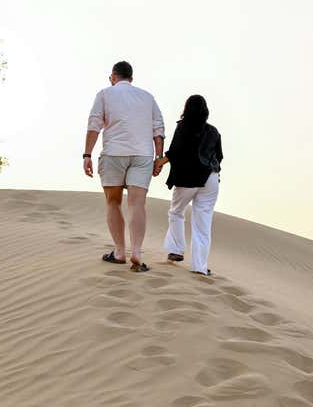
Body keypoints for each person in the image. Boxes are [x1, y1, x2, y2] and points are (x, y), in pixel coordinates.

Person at [83, 61, 165, 272]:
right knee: (137, 204)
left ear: (113, 76)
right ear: (131, 77)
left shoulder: (104, 94)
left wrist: (87, 154)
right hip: (142, 155)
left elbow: (94, 125)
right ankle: (136, 251)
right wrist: (159, 157)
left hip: (114, 154)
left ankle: (120, 252)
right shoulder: (148, 97)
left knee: (113, 202)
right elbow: (158, 129)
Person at [153, 95, 223, 275]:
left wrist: (160, 162)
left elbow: (176, 150)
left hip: (188, 178)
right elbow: (219, 156)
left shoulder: (183, 126)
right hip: (211, 178)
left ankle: (176, 250)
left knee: (176, 212)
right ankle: (200, 267)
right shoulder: (214, 132)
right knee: (203, 223)